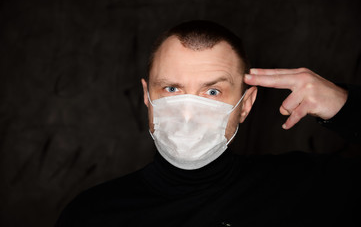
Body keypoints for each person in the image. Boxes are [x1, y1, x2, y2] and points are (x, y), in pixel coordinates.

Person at [56, 20, 361, 226]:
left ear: (246, 105)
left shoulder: (307, 189)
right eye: (172, 89)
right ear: (147, 97)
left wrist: (347, 109)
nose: (188, 112)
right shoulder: (93, 214)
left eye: (212, 91)